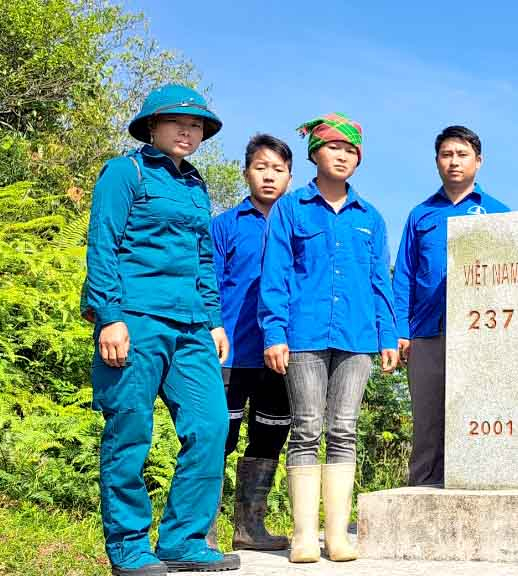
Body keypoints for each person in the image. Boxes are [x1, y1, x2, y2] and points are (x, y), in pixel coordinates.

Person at [83, 83, 240, 574]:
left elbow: (202, 258)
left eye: (196, 126)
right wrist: (109, 317)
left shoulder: (196, 185)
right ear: (153, 126)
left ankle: (184, 540)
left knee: (212, 425)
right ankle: (129, 547)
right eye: (178, 123)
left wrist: (214, 320)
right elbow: (102, 245)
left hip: (192, 325)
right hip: (135, 320)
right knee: (131, 431)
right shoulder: (123, 173)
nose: (188, 132)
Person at [259, 113, 399, 563]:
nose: (342, 156)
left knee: (343, 430)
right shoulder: (290, 209)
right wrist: (274, 332)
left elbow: (381, 279)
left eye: (351, 150)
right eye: (334, 147)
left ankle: (336, 535)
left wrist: (389, 335)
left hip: (357, 337)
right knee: (305, 429)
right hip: (303, 335)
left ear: (358, 159)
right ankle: (304, 536)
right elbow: (276, 273)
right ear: (314, 153)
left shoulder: (370, 217)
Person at [393, 125, 509, 487]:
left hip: (480, 335)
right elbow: (404, 276)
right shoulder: (420, 214)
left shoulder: (496, 212)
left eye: (461, 154)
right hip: (427, 332)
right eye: (446, 155)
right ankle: (422, 494)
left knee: (478, 417)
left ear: (479, 161)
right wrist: (400, 331)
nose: (453, 162)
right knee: (427, 420)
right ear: (437, 162)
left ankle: (481, 488)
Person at [210, 134, 294, 551]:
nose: (269, 176)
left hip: (280, 354)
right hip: (231, 353)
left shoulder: (297, 224)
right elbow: (205, 281)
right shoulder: (226, 225)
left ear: (290, 178)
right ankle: (200, 530)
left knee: (269, 437)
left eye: (278, 170)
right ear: (246, 173)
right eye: (261, 168)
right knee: (216, 438)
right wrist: (212, 326)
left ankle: (249, 528)